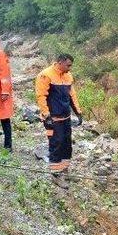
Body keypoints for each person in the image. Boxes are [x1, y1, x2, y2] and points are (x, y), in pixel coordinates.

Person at [35, 54, 83, 189]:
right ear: (60, 62)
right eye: (68, 65)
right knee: (56, 144)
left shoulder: (68, 76)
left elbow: (72, 95)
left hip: (65, 118)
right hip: (53, 119)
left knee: (67, 144)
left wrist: (78, 112)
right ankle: (56, 174)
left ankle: (64, 170)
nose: (70, 68)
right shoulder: (46, 75)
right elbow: (41, 97)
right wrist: (46, 115)